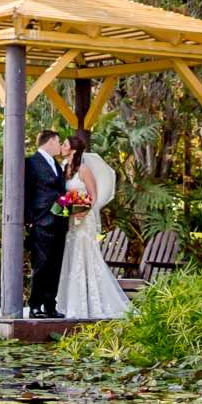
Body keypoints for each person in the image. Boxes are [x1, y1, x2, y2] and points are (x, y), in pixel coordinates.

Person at [55, 136, 131, 320]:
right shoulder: (66, 169)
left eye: (65, 144)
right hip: (71, 220)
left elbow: (94, 195)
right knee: (71, 256)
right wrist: (66, 210)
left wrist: (83, 211)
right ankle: (68, 303)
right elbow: (65, 194)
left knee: (84, 256)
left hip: (84, 220)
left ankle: (91, 303)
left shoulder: (84, 169)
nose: (62, 147)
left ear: (73, 149)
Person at [22, 128, 69, 318]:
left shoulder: (57, 165)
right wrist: (29, 219)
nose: (60, 146)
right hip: (41, 221)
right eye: (58, 142)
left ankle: (50, 305)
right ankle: (35, 306)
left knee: (55, 264)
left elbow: (60, 192)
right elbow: (26, 192)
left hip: (59, 221)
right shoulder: (31, 163)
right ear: (50, 142)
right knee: (41, 264)